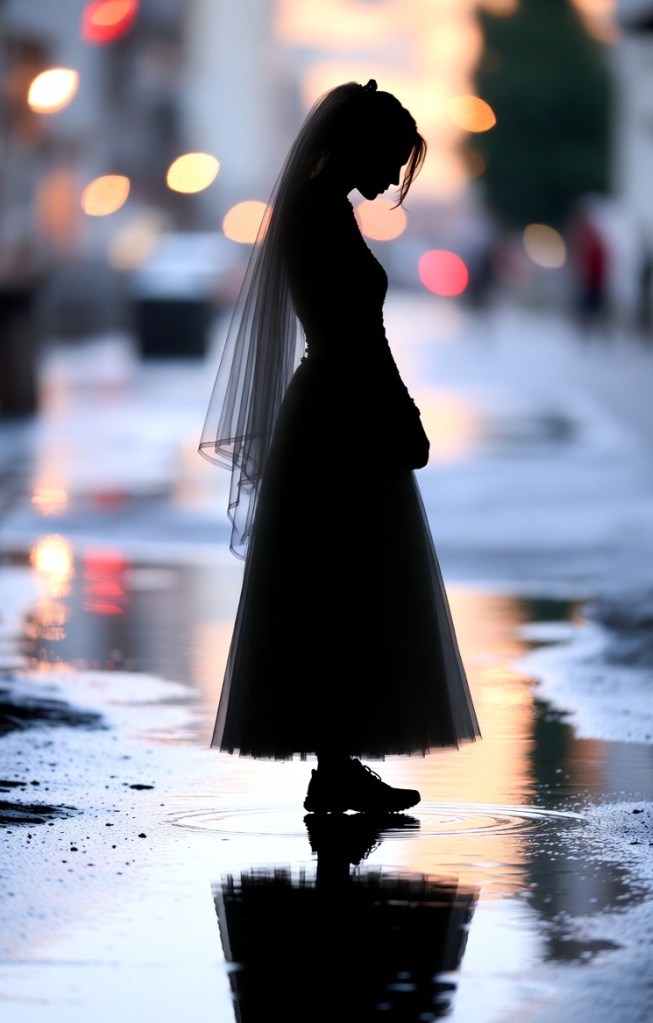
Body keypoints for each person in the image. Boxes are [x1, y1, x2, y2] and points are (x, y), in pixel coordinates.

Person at [199, 79, 480, 814]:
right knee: (345, 578)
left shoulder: (317, 209)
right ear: (355, 145)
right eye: (388, 160)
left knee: (338, 579)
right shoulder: (322, 215)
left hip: (333, 407)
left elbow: (355, 330)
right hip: (340, 413)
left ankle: (336, 758)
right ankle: (335, 760)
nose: (391, 179)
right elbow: (359, 335)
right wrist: (402, 412)